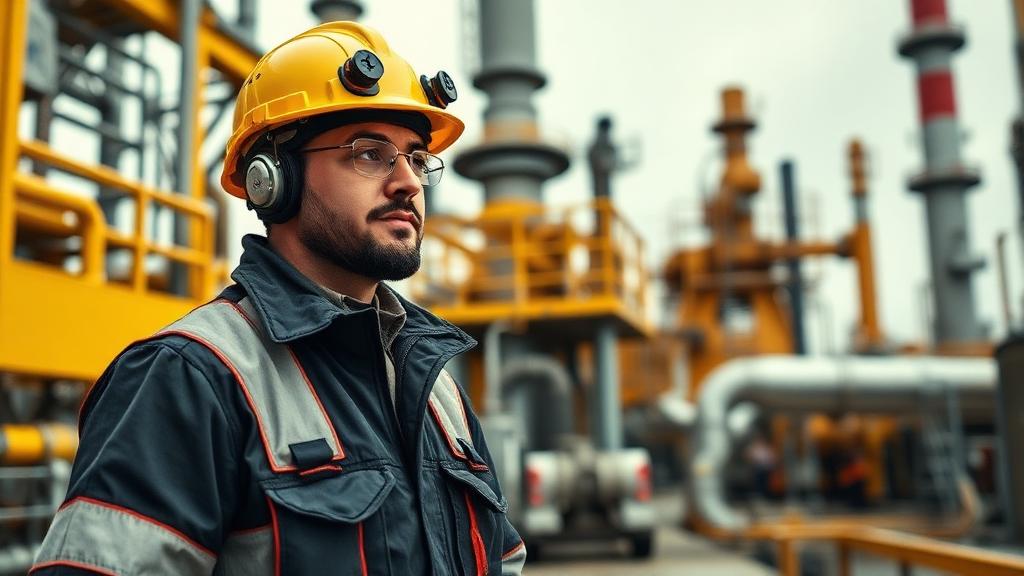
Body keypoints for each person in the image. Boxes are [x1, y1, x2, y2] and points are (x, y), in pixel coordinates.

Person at [31, 21, 525, 576]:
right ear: (274, 178)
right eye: (370, 153)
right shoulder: (192, 378)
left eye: (416, 158)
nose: (408, 182)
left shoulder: (438, 389)